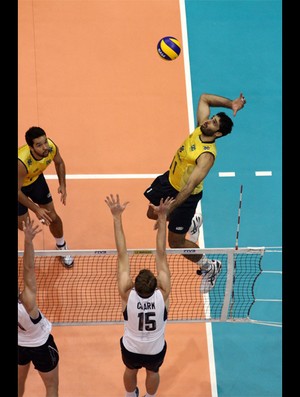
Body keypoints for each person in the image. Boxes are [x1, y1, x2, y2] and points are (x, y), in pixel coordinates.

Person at [144, 92, 246, 293]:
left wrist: (167, 210)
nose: (208, 122)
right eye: (212, 119)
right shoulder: (202, 127)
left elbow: (189, 188)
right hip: (169, 181)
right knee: (150, 213)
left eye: (214, 123)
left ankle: (210, 266)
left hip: (185, 196)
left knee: (175, 243)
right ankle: (191, 223)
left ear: (217, 134)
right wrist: (231, 104)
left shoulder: (206, 156)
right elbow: (205, 98)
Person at [105, 194, 173, 397]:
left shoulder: (126, 293)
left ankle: (130, 395)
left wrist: (116, 217)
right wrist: (162, 217)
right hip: (155, 348)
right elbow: (161, 253)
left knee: (130, 370)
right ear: (156, 283)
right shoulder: (163, 293)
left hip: (131, 347)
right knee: (153, 372)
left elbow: (122, 254)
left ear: (135, 284)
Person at [18, 126, 74, 268]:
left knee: (52, 217)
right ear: (31, 147)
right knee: (25, 226)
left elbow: (59, 162)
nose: (44, 147)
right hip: (19, 186)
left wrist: (63, 185)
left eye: (45, 142)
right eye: (39, 145)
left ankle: (61, 246)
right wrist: (36, 209)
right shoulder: (21, 163)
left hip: (35, 180)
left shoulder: (51, 147)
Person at [18, 218, 59, 397]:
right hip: (41, 345)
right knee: (51, 387)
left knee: (19, 382)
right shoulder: (27, 302)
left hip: (19, 345)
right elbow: (28, 267)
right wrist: (28, 240)